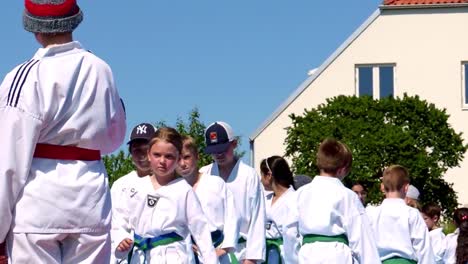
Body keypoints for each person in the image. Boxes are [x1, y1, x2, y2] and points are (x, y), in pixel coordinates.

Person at [0, 0, 126, 262]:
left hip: (39, 203)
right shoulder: (101, 69)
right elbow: (115, 137)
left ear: (33, 28)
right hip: (91, 201)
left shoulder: (25, 76)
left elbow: (8, 159)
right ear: (75, 20)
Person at [114, 127, 218, 264]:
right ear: (149, 155)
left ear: (178, 159)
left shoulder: (183, 191)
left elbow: (201, 233)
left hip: (174, 256)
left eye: (169, 156)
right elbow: (119, 221)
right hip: (140, 257)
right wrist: (121, 238)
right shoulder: (136, 188)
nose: (162, 161)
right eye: (157, 155)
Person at [291, 138, 380, 264]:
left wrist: (292, 258)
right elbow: (362, 238)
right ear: (343, 169)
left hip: (307, 256)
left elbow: (290, 231)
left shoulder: (300, 193)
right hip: (338, 256)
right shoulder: (347, 196)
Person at [200, 121, 266, 264]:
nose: (218, 154)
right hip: (209, 252)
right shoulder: (203, 174)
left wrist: (252, 258)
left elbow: (257, 217)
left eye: (223, 149)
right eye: (214, 150)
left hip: (241, 251)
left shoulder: (249, 175)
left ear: (234, 144)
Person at [177, 135, 238, 263]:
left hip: (218, 251)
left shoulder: (216, 183)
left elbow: (232, 217)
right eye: (178, 159)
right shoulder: (174, 189)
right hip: (185, 253)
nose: (183, 163)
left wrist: (224, 249)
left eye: (187, 157)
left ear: (197, 156)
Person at [367, 165, 434, 263]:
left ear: (382, 187)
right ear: (406, 187)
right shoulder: (412, 214)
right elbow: (424, 249)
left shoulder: (371, 213)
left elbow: (366, 246)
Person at [110, 123, 155, 263]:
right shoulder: (120, 185)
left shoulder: (168, 182)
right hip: (130, 255)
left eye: (146, 149)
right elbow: (114, 221)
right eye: (136, 150)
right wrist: (121, 238)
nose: (142, 155)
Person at [259, 156, 299, 264]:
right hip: (264, 252)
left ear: (269, 175)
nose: (260, 179)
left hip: (285, 254)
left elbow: (293, 235)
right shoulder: (265, 198)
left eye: (262, 175)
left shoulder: (294, 199)